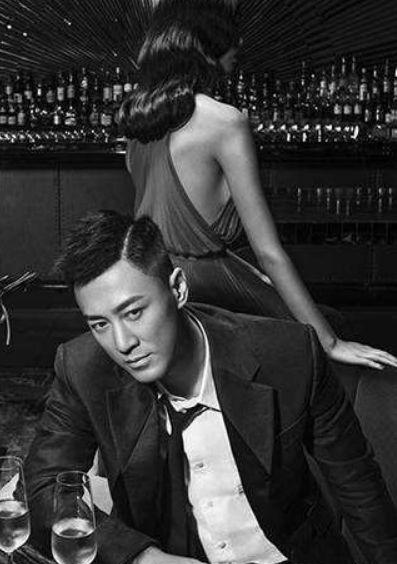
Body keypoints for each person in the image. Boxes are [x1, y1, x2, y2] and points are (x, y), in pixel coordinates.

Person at [24, 211, 397, 564]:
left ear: (178, 289)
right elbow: (41, 487)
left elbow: (361, 491)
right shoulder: (84, 367)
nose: (122, 343)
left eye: (134, 312)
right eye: (99, 323)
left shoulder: (288, 354)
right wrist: (143, 559)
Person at [120, 0, 397, 372]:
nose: (239, 47)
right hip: (207, 287)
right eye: (230, 36)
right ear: (205, 46)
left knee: (313, 319)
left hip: (155, 279)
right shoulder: (224, 122)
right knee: (323, 338)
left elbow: (171, 230)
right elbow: (268, 251)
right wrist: (331, 343)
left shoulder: (138, 120)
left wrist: (251, 274)